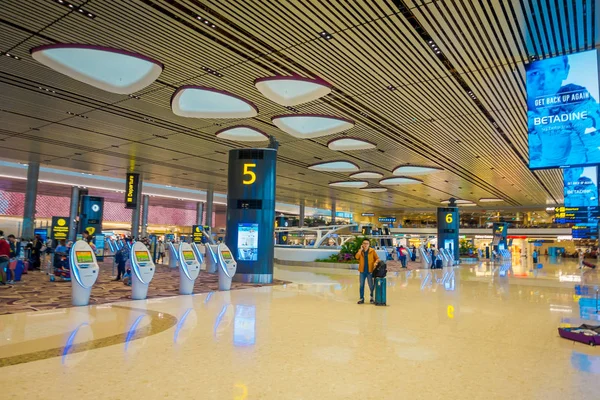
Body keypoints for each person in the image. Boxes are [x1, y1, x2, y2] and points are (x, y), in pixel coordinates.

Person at [354, 239, 380, 304]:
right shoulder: (361, 251)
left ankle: (372, 298)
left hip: (370, 271)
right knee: (361, 285)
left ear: (369, 244)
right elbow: (357, 257)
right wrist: (360, 250)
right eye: (364, 243)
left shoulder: (372, 251)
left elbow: (377, 258)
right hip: (362, 271)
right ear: (362, 244)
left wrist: (375, 263)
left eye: (367, 243)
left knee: (371, 285)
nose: (365, 245)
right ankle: (361, 298)